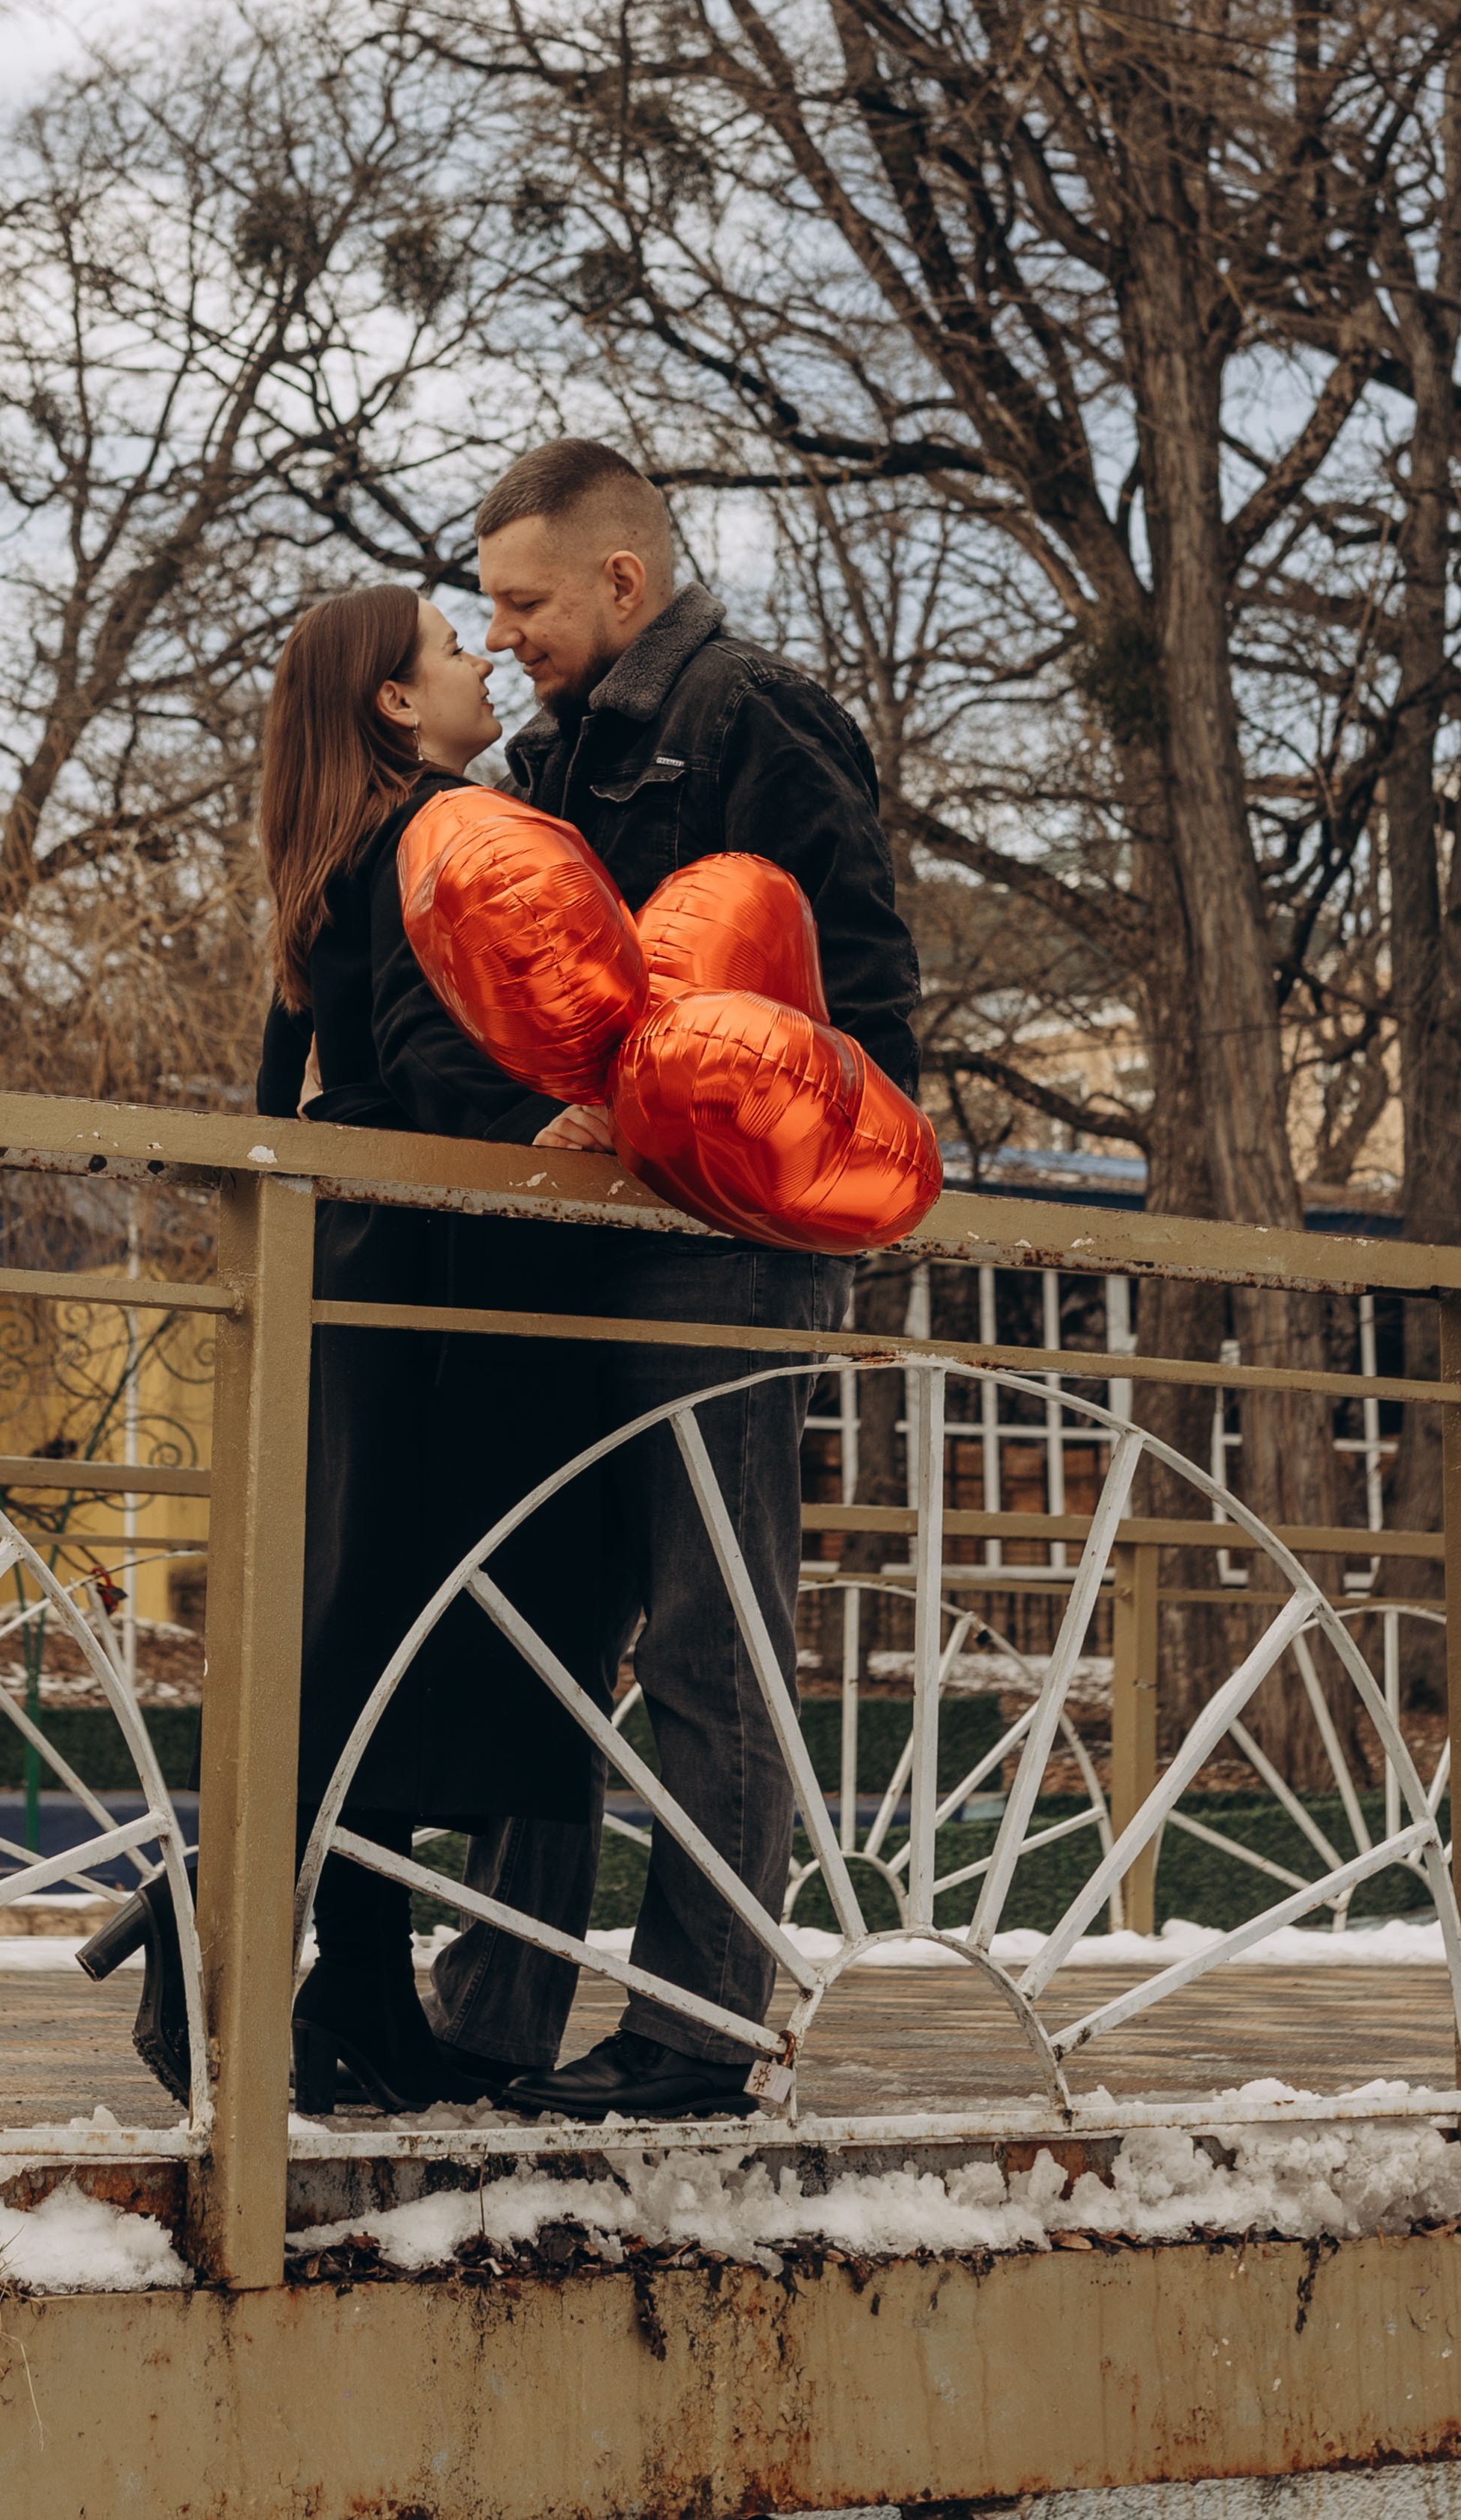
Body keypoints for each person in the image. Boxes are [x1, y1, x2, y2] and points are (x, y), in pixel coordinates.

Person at [429, 438, 923, 2123]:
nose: (495, 637)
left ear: (619, 583)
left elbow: (859, 994)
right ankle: (494, 2001)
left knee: (709, 1626)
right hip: (587, 1245)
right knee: (553, 1616)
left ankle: (693, 2033)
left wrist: (699, 1124)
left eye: (522, 602)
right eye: (483, 608)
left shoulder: (753, 718)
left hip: (728, 1245)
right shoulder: (553, 752)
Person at [83, 585, 622, 2115]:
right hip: (436, 1275)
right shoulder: (434, 831)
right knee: (446, 1631)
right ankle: (272, 1942)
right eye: (452, 654)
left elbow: (302, 1069)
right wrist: (536, 1125)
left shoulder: (329, 855)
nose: (477, 667)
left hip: (349, 1267)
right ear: (395, 703)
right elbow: (450, 1034)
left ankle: (348, 1979)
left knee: (371, 1632)